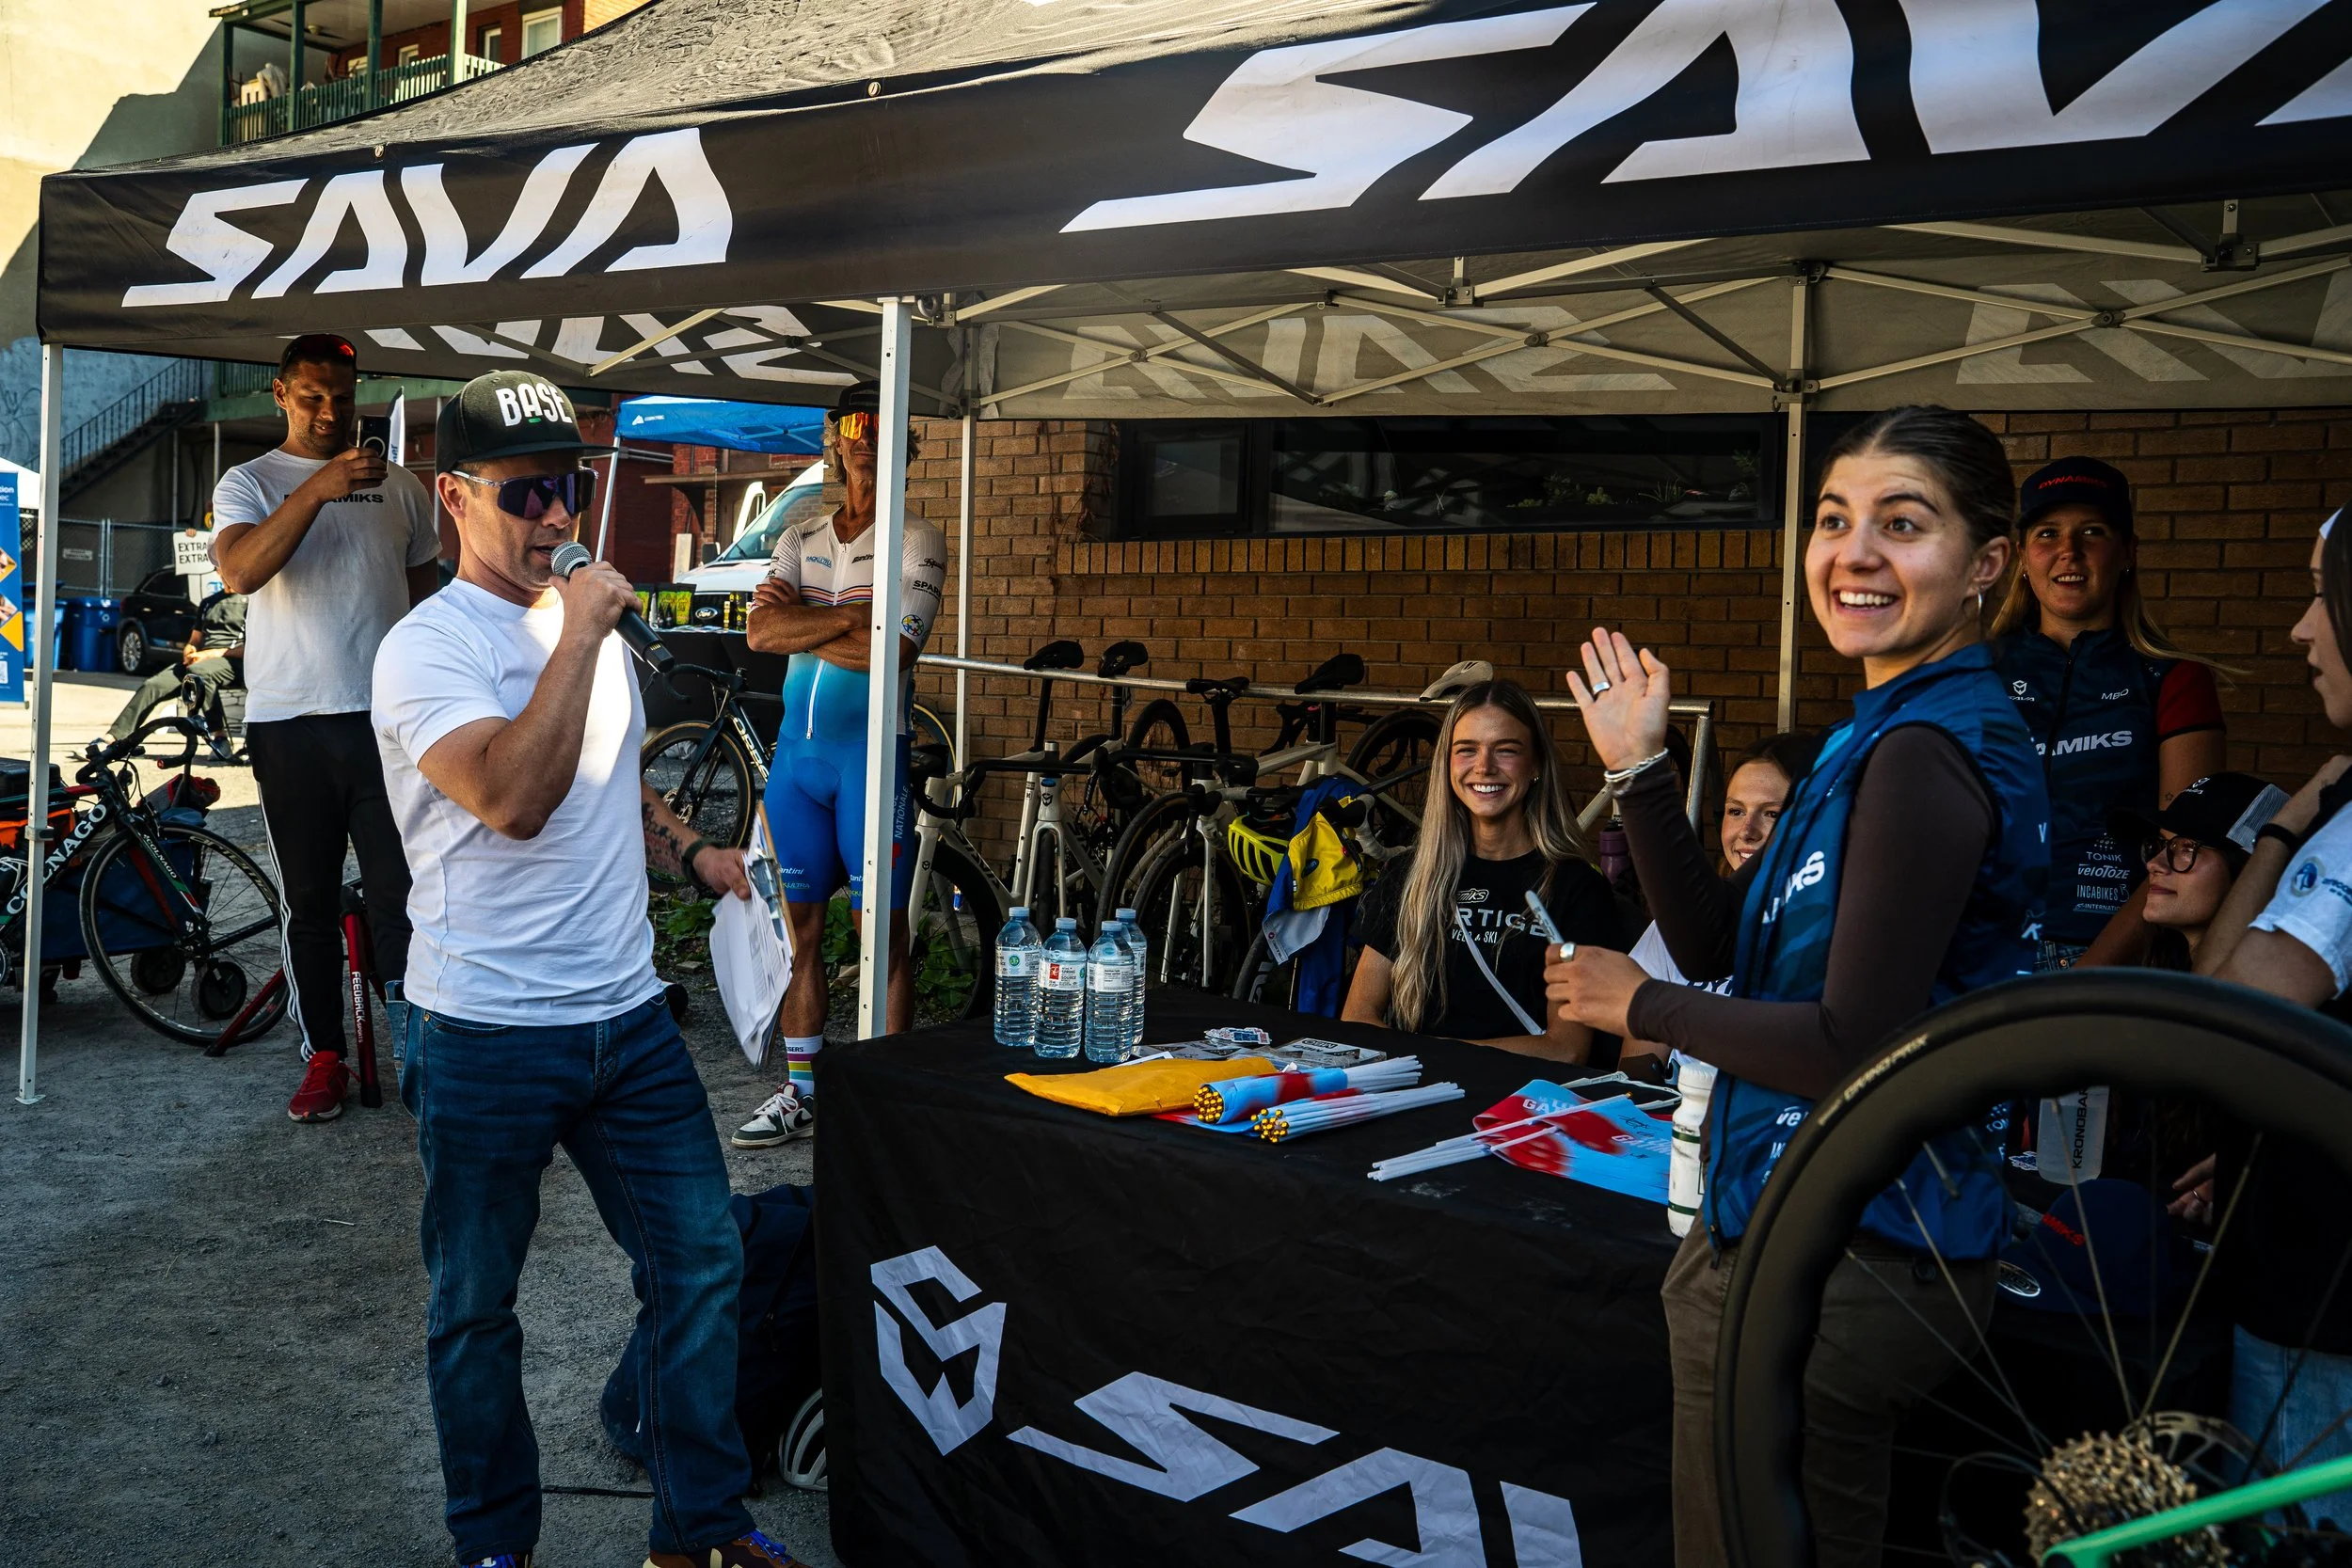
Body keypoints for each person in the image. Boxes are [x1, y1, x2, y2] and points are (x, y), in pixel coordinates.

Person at [1545, 405, 2049, 1568]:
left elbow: (1851, 1045)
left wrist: (1640, 1007)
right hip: (1799, 1232)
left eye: (1902, 522)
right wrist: (1639, 767)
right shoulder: (1869, 736)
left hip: (1846, 1253)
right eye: (1833, 519)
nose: (1853, 550)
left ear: (1983, 566)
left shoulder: (1928, 748)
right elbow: (1721, 938)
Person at [372, 371, 803, 1568]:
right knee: (475, 1306)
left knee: (702, 1261)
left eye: (572, 488)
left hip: (626, 1019)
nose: (560, 516)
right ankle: (496, 1545)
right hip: (486, 1031)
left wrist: (691, 849)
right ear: (454, 497)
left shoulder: (584, 633)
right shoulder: (425, 650)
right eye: (530, 493)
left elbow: (610, 779)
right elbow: (513, 795)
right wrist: (576, 634)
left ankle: (697, 1532)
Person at [212, 332, 441, 1122]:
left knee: (401, 893)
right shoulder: (249, 481)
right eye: (311, 397)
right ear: (280, 394)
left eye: (342, 397)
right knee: (307, 900)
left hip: (386, 723)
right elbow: (241, 570)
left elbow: (424, 605)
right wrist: (319, 488)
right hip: (290, 724)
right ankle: (326, 1056)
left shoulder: (403, 488)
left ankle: (416, 1046)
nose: (329, 412)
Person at [2189, 508, 2352, 1528]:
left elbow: (2225, 1008)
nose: (2297, 628)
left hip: (2324, 1299)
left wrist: (2285, 829)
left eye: (2320, 593)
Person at [730, 381, 946, 1149]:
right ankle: (803, 1089)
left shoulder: (917, 540)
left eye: (879, 424)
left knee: (879, 932)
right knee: (802, 933)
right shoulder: (800, 533)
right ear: (834, 438)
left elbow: (892, 653)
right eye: (850, 423)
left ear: (904, 443)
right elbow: (758, 634)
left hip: (869, 759)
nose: (863, 438)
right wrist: (852, 614)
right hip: (799, 760)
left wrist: (810, 624)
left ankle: (883, 1097)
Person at [1992, 455, 2228, 969]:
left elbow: (2183, 858)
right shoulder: (1972, 675)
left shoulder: (2174, 678)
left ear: (2128, 553)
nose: (2067, 552)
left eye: (2092, 532)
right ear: (2023, 558)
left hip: (2108, 958)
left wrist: (2082, 980)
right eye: (2047, 534)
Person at [1342, 679, 1622, 1059]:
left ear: (1536, 764)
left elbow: (1567, 1049)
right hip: (1413, 1093)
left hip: (1517, 1104)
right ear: (1447, 764)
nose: (1484, 767)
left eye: (1505, 750)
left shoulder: (1577, 888)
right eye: (1466, 750)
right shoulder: (1411, 875)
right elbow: (1357, 1018)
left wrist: (1433, 1053)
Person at [1618, 730, 1821, 1073]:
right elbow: (1637, 1068)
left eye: (1772, 814)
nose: (1747, 831)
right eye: (1736, 811)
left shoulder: (1829, 929)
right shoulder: (1684, 916)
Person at [95, 586, 245, 752]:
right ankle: (115, 738)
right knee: (153, 685)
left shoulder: (250, 602)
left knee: (200, 672)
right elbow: (195, 638)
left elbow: (252, 647)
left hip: (232, 661)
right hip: (199, 662)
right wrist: (189, 649)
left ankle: (220, 738)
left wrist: (211, 654)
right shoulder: (208, 603)